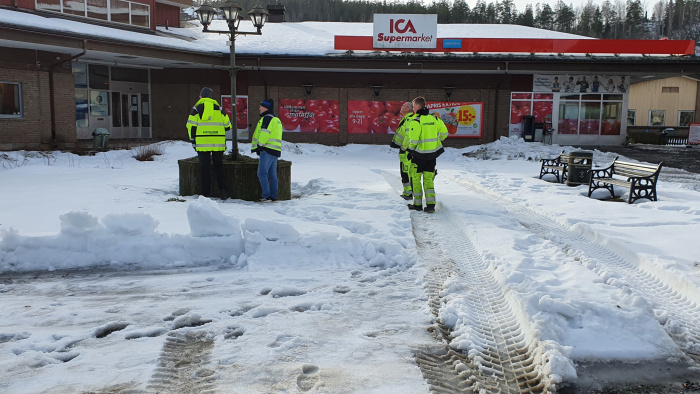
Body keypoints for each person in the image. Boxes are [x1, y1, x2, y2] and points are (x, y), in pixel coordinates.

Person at [186, 87, 231, 199]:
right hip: (218, 143)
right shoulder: (219, 109)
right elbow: (228, 126)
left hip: (202, 144)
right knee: (219, 168)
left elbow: (190, 126)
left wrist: (193, 140)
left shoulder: (196, 109)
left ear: (201, 97)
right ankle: (223, 191)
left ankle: (206, 194)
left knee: (205, 168)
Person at [405, 97, 447, 213]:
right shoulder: (435, 119)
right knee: (429, 180)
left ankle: (417, 205)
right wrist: (437, 141)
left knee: (416, 180)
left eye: (413, 106)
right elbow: (444, 133)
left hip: (418, 157)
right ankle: (430, 206)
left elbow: (413, 140)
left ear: (418, 107)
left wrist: (410, 152)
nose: (413, 108)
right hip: (432, 156)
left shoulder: (416, 121)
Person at [251, 98, 283, 202]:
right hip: (275, 150)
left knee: (262, 173)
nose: (259, 108)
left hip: (267, 150)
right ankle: (273, 196)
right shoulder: (276, 119)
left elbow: (264, 133)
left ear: (265, 107)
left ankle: (266, 196)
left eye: (261, 106)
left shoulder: (267, 118)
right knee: (272, 174)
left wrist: (259, 146)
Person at [389, 101, 415, 199]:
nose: (401, 107)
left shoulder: (409, 120)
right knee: (407, 171)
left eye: (404, 106)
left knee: (406, 172)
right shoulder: (406, 119)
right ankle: (410, 191)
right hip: (407, 150)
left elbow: (409, 136)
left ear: (408, 109)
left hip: (407, 151)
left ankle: (408, 193)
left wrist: (404, 149)